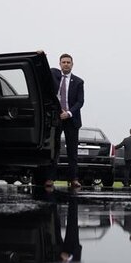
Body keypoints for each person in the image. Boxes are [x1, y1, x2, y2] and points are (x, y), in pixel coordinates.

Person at [46, 53, 85, 188]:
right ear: (60, 64)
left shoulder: (79, 82)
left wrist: (68, 113)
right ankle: (50, 178)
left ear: (72, 64)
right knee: (54, 149)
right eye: (64, 62)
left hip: (71, 119)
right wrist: (39, 55)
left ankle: (73, 179)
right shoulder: (54, 75)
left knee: (72, 152)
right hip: (56, 119)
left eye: (68, 62)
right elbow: (43, 69)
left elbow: (80, 102)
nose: (66, 64)